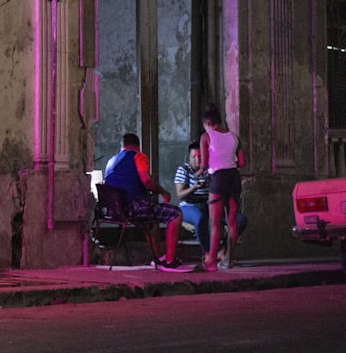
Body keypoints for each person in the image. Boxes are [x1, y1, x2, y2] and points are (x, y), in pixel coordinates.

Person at [103, 132, 193, 272]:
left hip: (115, 211)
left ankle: (159, 258)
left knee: (151, 223)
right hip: (134, 207)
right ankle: (170, 261)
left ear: (122, 146)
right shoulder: (138, 156)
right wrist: (164, 192)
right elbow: (147, 181)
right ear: (138, 146)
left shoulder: (111, 161)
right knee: (176, 214)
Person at [175, 141, 247, 256]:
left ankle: (223, 250)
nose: (197, 159)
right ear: (189, 157)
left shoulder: (210, 169)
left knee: (240, 220)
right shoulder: (183, 170)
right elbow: (180, 194)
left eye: (200, 156)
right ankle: (209, 253)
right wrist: (194, 188)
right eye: (194, 157)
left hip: (210, 204)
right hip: (190, 205)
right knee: (200, 219)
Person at [198, 104, 246, 272]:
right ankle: (228, 259)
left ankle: (211, 259)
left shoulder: (206, 136)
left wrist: (199, 172)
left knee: (215, 222)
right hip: (234, 177)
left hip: (218, 178)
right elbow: (241, 162)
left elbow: (204, 164)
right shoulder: (234, 136)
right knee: (232, 222)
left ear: (209, 123)